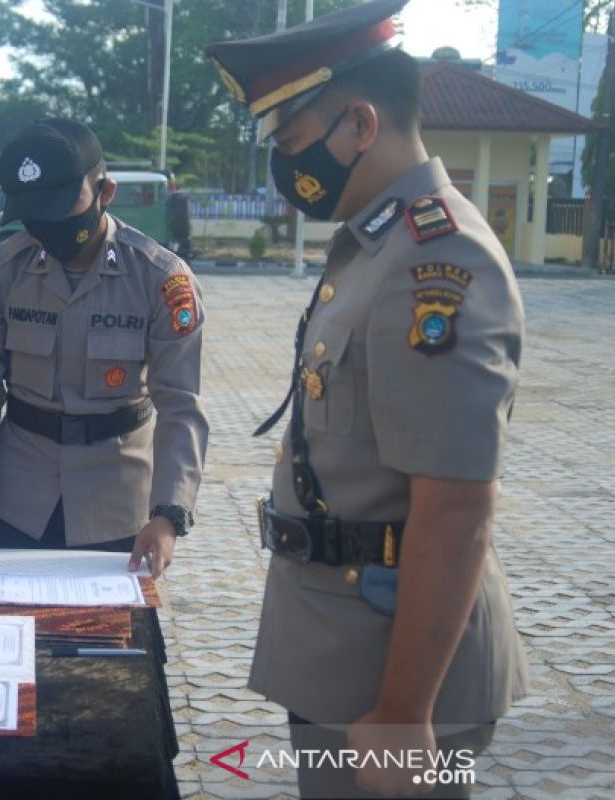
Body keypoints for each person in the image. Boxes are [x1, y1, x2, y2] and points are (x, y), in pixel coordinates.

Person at [204, 1, 526, 796]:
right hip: (343, 641)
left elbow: (456, 506)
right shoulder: (374, 243)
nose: (287, 167)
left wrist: (405, 711)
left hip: (394, 672)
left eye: (290, 141)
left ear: (358, 123)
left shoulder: (434, 260)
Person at [0, 118, 208, 578]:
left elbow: (181, 407)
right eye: (35, 216)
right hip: (20, 498)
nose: (48, 228)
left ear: (105, 192)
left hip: (117, 501)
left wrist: (169, 514)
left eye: (60, 207)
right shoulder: (1, 271)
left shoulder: (159, 280)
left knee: (109, 642)